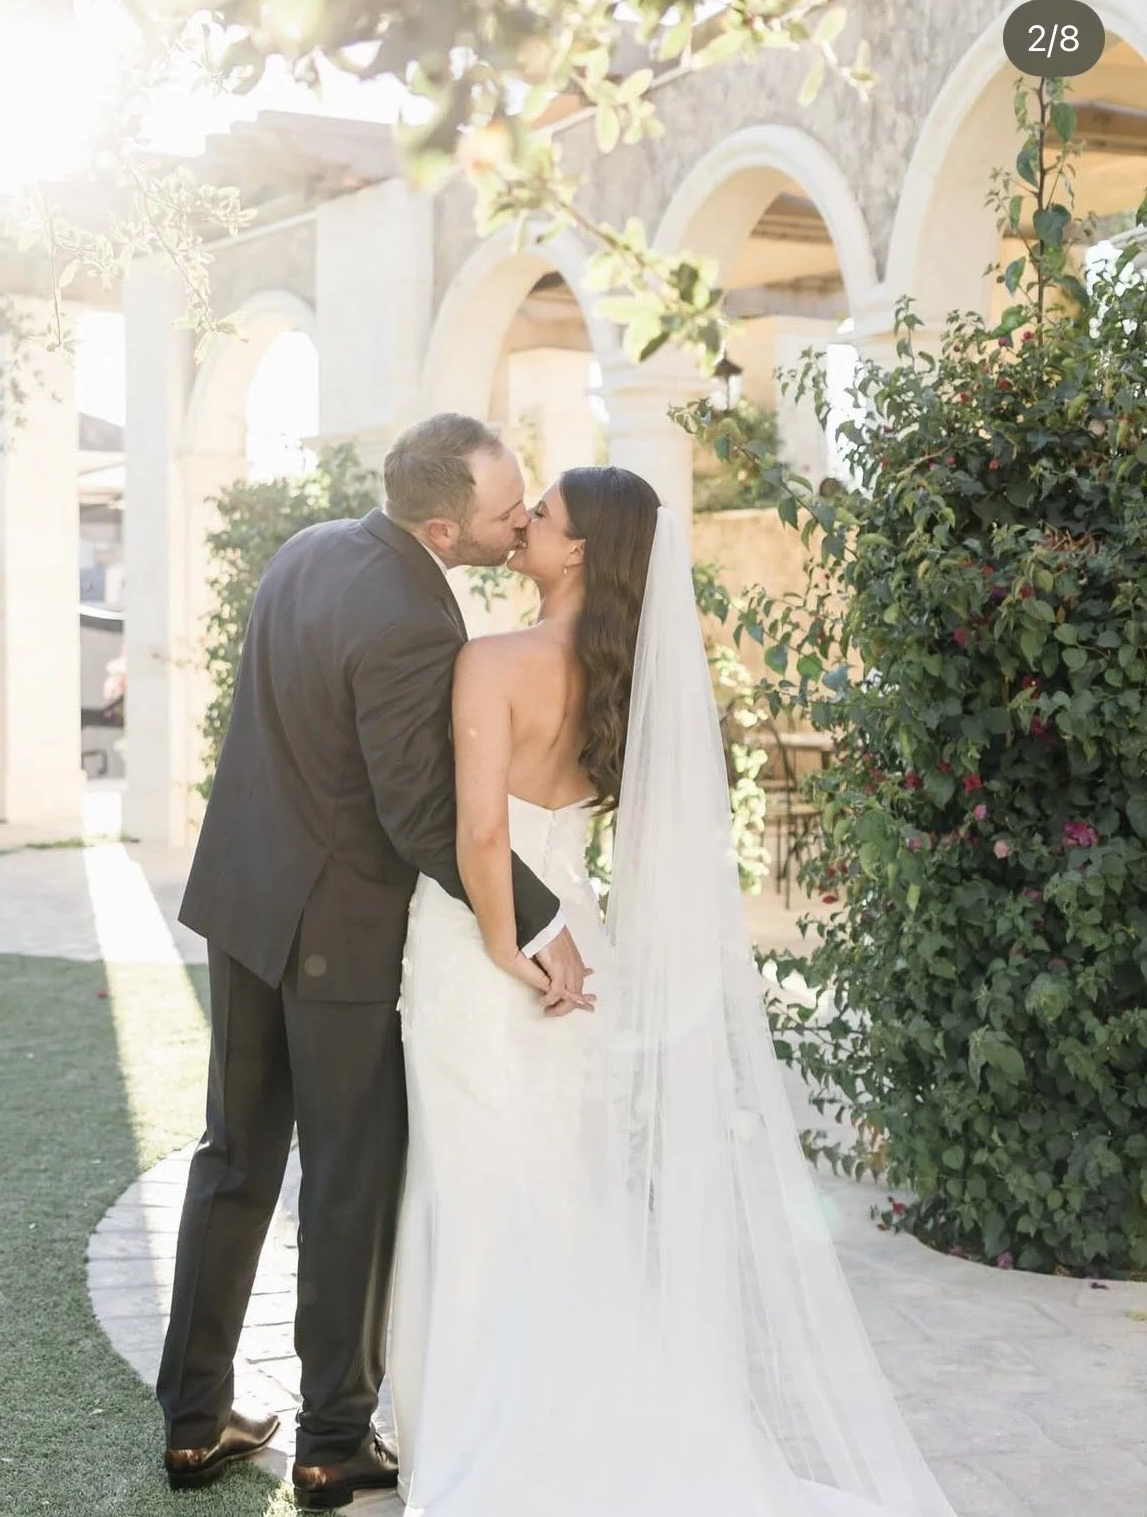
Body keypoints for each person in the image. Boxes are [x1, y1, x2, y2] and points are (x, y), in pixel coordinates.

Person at [390, 466, 959, 1517]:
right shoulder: (619, 681)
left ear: (581, 554)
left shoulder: (490, 661)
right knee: (562, 1187)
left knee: (475, 1183)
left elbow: (478, 835)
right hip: (581, 947)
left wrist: (511, 946)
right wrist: (557, 937)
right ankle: (592, 1409)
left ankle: (482, 1428)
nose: (526, 521)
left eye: (546, 514)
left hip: (489, 943)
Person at [158, 414, 592, 1504]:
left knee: (236, 1155)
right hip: (331, 929)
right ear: (442, 521)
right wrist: (537, 917)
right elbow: (420, 813)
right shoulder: (412, 614)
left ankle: (194, 1416)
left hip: (241, 902)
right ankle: (332, 1439)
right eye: (505, 511)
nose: (516, 523)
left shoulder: (307, 549)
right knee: (350, 1173)